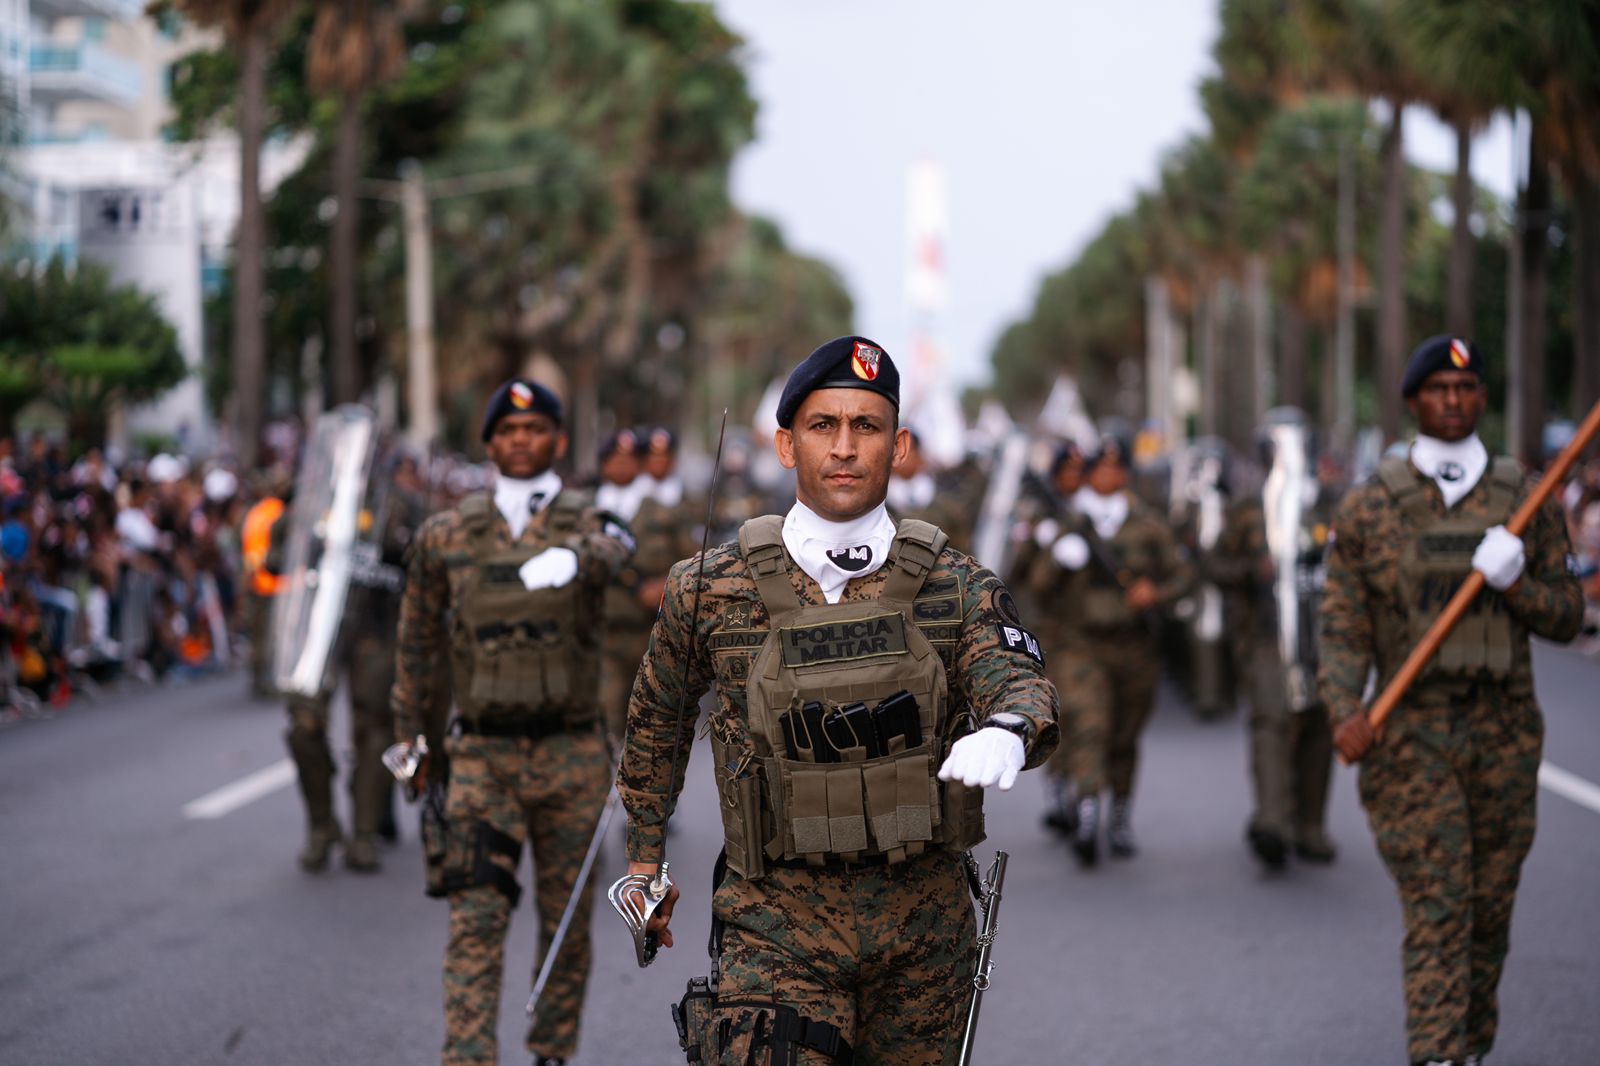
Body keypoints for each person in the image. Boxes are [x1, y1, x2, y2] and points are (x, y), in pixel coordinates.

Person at [617, 336, 1059, 1065]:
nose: (846, 448)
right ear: (787, 445)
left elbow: (1016, 675)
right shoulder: (710, 586)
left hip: (921, 930)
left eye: (867, 426)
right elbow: (657, 720)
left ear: (900, 445)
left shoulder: (955, 584)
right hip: (773, 923)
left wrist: (1010, 727)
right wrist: (644, 864)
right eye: (823, 425)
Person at [1320, 336, 1583, 1066]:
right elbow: (1342, 623)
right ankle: (1436, 1054)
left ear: (1483, 399)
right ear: (1413, 400)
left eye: (1466, 389)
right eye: (1438, 388)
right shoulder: (1370, 505)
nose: (1454, 400)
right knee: (1440, 901)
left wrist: (1517, 584)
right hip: (1410, 735)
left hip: (1505, 731)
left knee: (1490, 907)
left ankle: (1468, 1046)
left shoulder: (1527, 499)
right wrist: (1344, 708)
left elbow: (1567, 616)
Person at [389, 379, 633, 1066]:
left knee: (567, 923)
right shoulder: (446, 533)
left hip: (571, 756)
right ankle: (469, 1056)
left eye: (535, 428)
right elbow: (416, 641)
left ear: (558, 439)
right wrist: (409, 737)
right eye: (508, 430)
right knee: (475, 920)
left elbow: (619, 549)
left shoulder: (589, 521)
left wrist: (574, 557)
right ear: (489, 443)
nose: (521, 439)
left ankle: (551, 1051)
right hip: (482, 760)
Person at [1026, 434, 1191, 863]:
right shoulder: (1071, 522)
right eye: (1099, 468)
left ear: (1126, 474)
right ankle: (1087, 811)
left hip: (1134, 647)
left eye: (1115, 468)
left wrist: (1154, 593)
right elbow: (1038, 585)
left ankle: (1119, 815)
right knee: (1089, 725)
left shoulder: (1148, 525)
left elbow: (1184, 576)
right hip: (1081, 646)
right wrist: (1058, 556)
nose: (1106, 475)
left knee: (1124, 735)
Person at [1210, 408, 1337, 869]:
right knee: (1271, 722)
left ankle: (1310, 826)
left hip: (1323, 638)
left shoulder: (1329, 505)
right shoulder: (1247, 509)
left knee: (1319, 726)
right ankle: (1273, 822)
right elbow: (1215, 565)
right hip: (1265, 638)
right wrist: (1252, 570)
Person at [600, 427, 700, 742]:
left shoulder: (663, 511)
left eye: (631, 459)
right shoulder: (593, 510)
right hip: (606, 632)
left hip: (651, 632)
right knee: (606, 718)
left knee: (651, 722)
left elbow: (691, 561)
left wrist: (664, 585)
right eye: (615, 459)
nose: (623, 465)